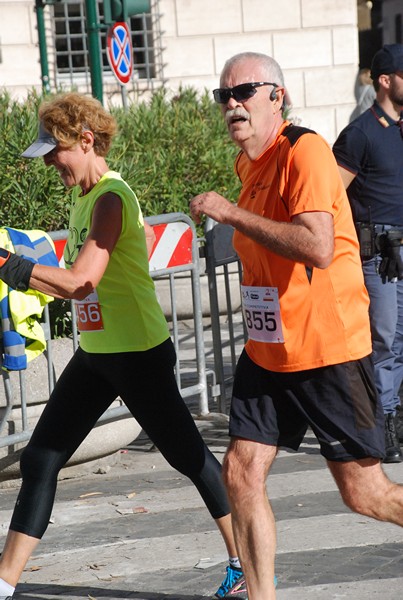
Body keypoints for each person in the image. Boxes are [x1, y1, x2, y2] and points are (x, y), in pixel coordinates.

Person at [0, 92, 241, 600]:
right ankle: (4, 583)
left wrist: (11, 267)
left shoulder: (111, 198)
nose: (48, 162)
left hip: (137, 356)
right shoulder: (82, 195)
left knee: (190, 457)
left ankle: (245, 565)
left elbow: (81, 282)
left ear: (86, 141)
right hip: (98, 355)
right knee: (42, 458)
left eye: (55, 150)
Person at [189, 51, 403, 600]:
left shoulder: (303, 150)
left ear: (276, 97)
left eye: (244, 92)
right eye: (224, 96)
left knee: (366, 494)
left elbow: (318, 246)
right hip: (269, 348)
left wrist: (228, 214)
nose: (232, 104)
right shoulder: (248, 165)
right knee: (240, 472)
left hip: (325, 348)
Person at [333, 44, 403, 463]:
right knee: (384, 342)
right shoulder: (360, 133)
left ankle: (396, 418)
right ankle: (382, 426)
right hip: (378, 254)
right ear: (385, 80)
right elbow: (330, 197)